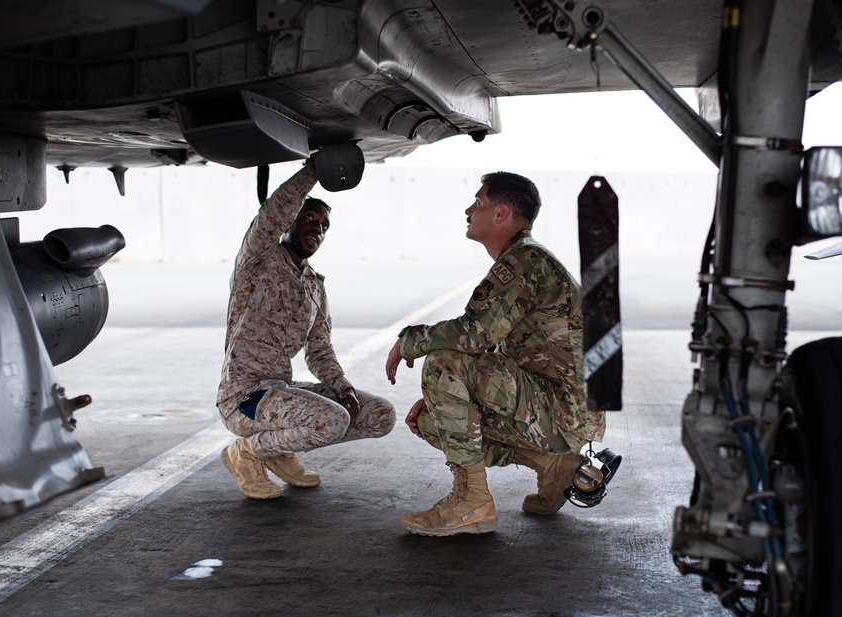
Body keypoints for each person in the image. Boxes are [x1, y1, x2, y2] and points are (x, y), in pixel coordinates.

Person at [385, 171, 608, 536]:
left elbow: (472, 335)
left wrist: (409, 342)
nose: (468, 210)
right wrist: (445, 403)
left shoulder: (522, 263)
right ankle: (554, 466)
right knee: (433, 419)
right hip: (565, 410)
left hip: (561, 410)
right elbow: (494, 347)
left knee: (442, 363)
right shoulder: (528, 259)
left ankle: (472, 503)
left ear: (501, 214)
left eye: (478, 202)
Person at [217, 159, 396, 499]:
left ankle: (277, 450)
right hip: (244, 397)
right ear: (288, 224)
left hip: (280, 388)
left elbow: (319, 350)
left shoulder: (315, 286)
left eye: (324, 225)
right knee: (332, 420)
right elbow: (271, 214)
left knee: (379, 415)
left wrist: (343, 388)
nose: (318, 228)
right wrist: (317, 168)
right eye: (309, 219)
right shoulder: (257, 262)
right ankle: (249, 452)